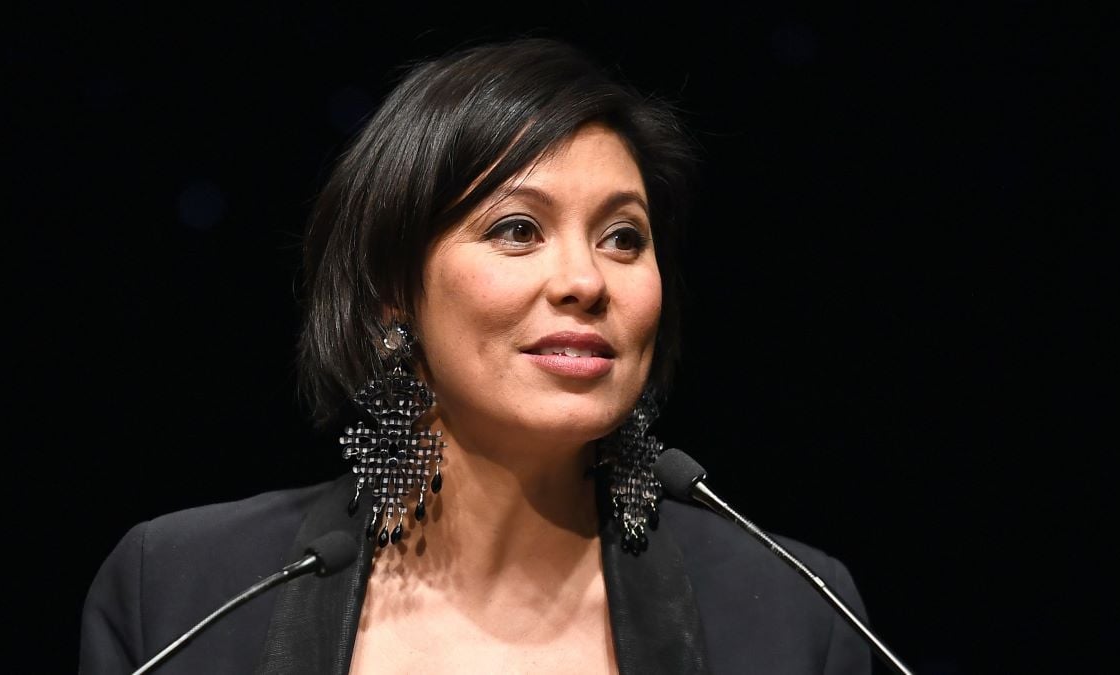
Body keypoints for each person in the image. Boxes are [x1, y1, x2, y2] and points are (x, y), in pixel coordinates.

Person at [80, 38, 872, 674]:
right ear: (394, 288)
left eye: (623, 237)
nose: (585, 280)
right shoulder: (184, 593)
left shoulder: (795, 614)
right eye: (517, 229)